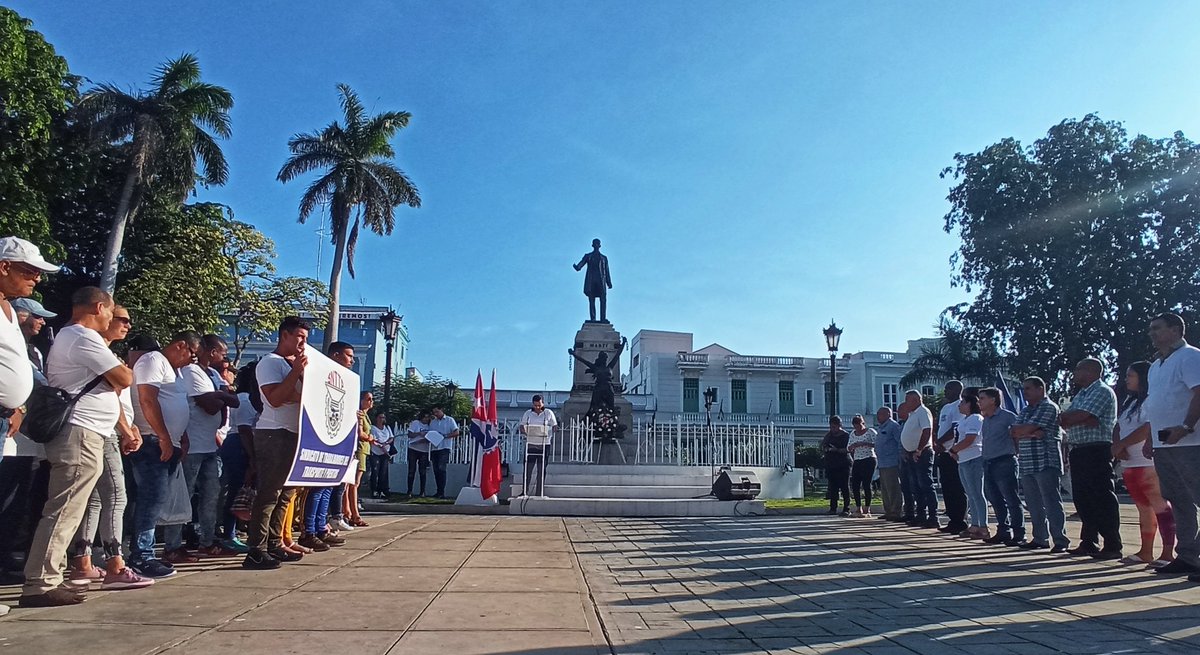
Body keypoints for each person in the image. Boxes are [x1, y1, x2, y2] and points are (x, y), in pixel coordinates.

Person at [20, 287, 133, 607]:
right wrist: (115, 372)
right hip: (79, 434)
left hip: (86, 434)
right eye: (112, 313)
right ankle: (42, 582)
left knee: (68, 507)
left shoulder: (75, 338)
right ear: (99, 308)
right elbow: (124, 377)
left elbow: (117, 378)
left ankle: (45, 577)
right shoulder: (83, 337)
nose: (113, 320)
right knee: (64, 508)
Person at [66, 305, 152, 590]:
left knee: (96, 499)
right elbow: (115, 392)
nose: (127, 325)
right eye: (121, 319)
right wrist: (126, 429)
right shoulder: (95, 350)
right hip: (102, 431)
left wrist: (131, 427)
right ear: (104, 317)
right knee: (116, 495)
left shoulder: (105, 353)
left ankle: (84, 562)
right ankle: (115, 564)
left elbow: (115, 398)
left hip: (108, 429)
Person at [0, 236, 60, 613]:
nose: (36, 278)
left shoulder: (7, 309)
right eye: (28, 271)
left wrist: (18, 404)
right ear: (4, 266)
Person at [127, 331, 197, 578]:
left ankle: (145, 552)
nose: (191, 361)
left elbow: (176, 403)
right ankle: (141, 555)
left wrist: (181, 436)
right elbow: (148, 399)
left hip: (168, 441)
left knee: (156, 500)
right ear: (181, 345)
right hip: (151, 441)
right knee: (151, 498)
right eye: (192, 354)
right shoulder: (153, 360)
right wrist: (165, 436)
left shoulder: (172, 370)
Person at [243, 316, 308, 570]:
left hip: (293, 432)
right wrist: (294, 373)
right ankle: (256, 549)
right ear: (285, 336)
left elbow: (299, 396)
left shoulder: (294, 366)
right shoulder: (270, 363)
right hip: (274, 432)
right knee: (270, 491)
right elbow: (276, 398)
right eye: (299, 337)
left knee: (286, 493)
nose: (303, 343)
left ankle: (274, 542)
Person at [166, 335, 241, 559]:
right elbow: (208, 405)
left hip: (209, 445)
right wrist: (222, 396)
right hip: (193, 445)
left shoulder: (214, 374)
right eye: (221, 352)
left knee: (211, 494)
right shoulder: (191, 372)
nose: (224, 357)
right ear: (210, 351)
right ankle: (172, 544)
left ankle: (207, 540)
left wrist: (220, 396)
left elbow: (232, 400)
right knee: (184, 495)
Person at [1142, 313, 1200, 579]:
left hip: (1191, 442)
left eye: (1158, 328)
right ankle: (1188, 556)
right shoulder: (1156, 366)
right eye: (1151, 329)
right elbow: (1155, 405)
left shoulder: (1190, 357)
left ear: (1176, 330)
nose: (1152, 333)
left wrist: (1187, 426)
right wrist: (1150, 439)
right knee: (1178, 500)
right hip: (1164, 445)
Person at [1059, 357, 1122, 560]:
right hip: (1078, 449)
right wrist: (1079, 418)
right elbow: (1066, 419)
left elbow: (1081, 416)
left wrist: (1079, 417)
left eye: (1077, 369)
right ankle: (1089, 541)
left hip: (1096, 450)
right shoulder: (1081, 395)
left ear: (1090, 371)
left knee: (1101, 497)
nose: (1074, 374)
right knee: (1083, 497)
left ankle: (1112, 544)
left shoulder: (1102, 391)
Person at [1115, 361, 1175, 568]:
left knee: (1160, 506)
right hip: (1129, 463)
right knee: (1143, 508)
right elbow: (1119, 426)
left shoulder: (1151, 400)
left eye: (1130, 375)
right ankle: (1146, 551)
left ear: (1142, 377)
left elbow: (1148, 428)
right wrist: (1117, 446)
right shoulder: (1129, 402)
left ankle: (1168, 552)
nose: (1126, 379)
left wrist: (1122, 443)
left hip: (1147, 462)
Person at [1011, 376, 1069, 552]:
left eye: (1028, 388)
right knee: (1033, 502)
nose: (1025, 392)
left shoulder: (1049, 407)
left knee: (1051, 502)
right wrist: (1030, 432)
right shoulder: (1026, 410)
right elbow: (1014, 431)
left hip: (1045, 461)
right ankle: (1040, 538)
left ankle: (1060, 540)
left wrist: (1026, 431)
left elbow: (1025, 429)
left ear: (1040, 389)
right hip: (1027, 462)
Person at [978, 387, 1023, 546]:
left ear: (993, 400)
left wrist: (1016, 455)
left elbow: (1018, 435)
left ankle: (1019, 532)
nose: (979, 401)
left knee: (1011, 498)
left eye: (982, 398)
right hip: (988, 462)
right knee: (995, 499)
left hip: (1004, 461)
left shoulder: (1007, 417)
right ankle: (1003, 530)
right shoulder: (986, 420)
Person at [323, 341, 355, 532]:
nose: (352, 360)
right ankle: (315, 525)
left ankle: (325, 522)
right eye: (348, 355)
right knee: (321, 487)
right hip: (325, 436)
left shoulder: (348, 379)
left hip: (341, 440)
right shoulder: (324, 374)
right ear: (336, 355)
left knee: (335, 485)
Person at [948, 392, 988, 539]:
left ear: (970, 404)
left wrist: (954, 449)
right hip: (963, 459)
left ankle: (983, 526)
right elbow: (961, 438)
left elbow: (970, 439)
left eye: (963, 402)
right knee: (970, 494)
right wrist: (954, 451)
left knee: (977, 493)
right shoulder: (964, 420)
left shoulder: (975, 418)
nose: (960, 405)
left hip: (974, 458)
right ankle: (975, 524)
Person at [899, 390, 938, 528]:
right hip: (911, 454)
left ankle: (933, 516)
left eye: (907, 400)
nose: (905, 403)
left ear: (916, 400)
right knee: (915, 486)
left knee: (925, 484)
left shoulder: (923, 412)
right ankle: (920, 515)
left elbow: (927, 431)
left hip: (923, 453)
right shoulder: (912, 415)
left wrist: (919, 449)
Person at [935, 381, 969, 534]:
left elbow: (955, 429)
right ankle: (952, 519)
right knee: (947, 487)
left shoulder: (959, 406)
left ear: (957, 390)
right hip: (943, 451)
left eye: (948, 389)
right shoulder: (945, 407)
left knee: (957, 488)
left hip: (953, 452)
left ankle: (960, 520)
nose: (945, 391)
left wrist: (940, 441)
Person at [343, 391, 374, 526]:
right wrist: (370, 437)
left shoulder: (365, 415)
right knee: (353, 483)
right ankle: (352, 513)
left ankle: (349, 512)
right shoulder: (360, 414)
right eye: (368, 399)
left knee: (352, 483)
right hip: (360, 449)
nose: (371, 401)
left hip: (364, 449)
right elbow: (360, 433)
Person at [519, 394, 558, 498]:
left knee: (541, 469)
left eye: (539, 405)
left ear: (543, 403)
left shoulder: (548, 413)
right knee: (528, 469)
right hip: (531, 443)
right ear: (533, 404)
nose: (537, 407)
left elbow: (555, 425)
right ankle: (525, 491)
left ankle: (539, 492)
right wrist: (524, 431)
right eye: (535, 405)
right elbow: (522, 425)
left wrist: (551, 430)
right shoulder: (528, 413)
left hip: (544, 444)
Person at [873, 407, 904, 522]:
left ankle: (896, 511)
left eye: (880, 414)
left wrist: (900, 458)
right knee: (885, 489)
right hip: (882, 462)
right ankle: (888, 511)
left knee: (893, 487)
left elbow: (900, 442)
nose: (877, 416)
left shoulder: (893, 426)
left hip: (892, 462)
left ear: (887, 414)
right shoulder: (881, 428)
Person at [11, 297, 54, 376]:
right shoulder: (7, 348)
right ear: (20, 317)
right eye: (38, 317)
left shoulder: (35, 352)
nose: (43, 322)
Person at [573, 238, 612, 323]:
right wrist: (578, 267)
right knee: (591, 299)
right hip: (591, 280)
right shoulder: (588, 256)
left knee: (603, 299)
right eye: (595, 243)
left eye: (598, 243)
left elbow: (607, 270)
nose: (596, 245)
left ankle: (603, 318)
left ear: (600, 245)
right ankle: (593, 318)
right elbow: (582, 263)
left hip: (601, 280)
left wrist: (609, 282)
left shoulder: (604, 258)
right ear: (592, 245)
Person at [847, 415, 878, 517]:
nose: (857, 428)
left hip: (869, 459)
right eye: (855, 426)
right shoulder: (853, 434)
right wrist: (852, 447)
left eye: (859, 425)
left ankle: (867, 508)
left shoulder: (870, 432)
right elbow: (849, 447)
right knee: (855, 484)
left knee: (866, 483)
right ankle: (858, 507)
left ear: (863, 423)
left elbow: (877, 443)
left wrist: (864, 443)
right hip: (857, 460)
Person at [820, 416, 852, 516]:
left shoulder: (846, 435)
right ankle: (833, 508)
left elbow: (848, 449)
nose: (833, 429)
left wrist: (836, 450)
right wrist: (825, 449)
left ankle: (846, 508)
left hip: (843, 464)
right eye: (831, 427)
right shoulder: (829, 435)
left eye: (834, 427)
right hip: (831, 464)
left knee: (844, 487)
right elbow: (823, 445)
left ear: (839, 426)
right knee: (833, 487)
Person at [429, 404, 460, 499]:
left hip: (444, 447)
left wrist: (444, 436)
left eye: (437, 412)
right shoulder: (433, 422)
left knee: (441, 468)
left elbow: (456, 432)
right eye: (434, 412)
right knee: (436, 470)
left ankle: (441, 492)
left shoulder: (449, 420)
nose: (435, 414)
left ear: (441, 410)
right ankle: (438, 491)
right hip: (435, 448)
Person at [406, 411, 433, 496]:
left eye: (427, 417)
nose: (426, 419)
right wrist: (418, 433)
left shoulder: (430, 425)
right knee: (411, 470)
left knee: (422, 471)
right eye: (424, 417)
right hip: (413, 448)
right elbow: (409, 434)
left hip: (424, 450)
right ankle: (409, 490)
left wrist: (426, 439)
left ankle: (422, 491)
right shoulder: (415, 423)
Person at [368, 413, 394, 499]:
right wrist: (380, 446)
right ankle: (374, 490)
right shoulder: (373, 428)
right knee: (375, 471)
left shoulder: (387, 428)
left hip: (385, 452)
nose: (382, 419)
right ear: (376, 418)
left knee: (383, 472)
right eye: (380, 417)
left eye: (383, 417)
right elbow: (373, 440)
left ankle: (382, 490)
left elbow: (391, 438)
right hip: (376, 451)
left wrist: (386, 443)